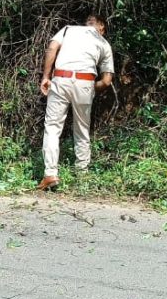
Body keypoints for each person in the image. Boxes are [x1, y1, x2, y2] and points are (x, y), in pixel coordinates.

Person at [38, 15, 114, 190]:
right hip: (86, 81)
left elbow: (52, 49)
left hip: (61, 78)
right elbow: (106, 81)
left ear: (87, 24)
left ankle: (50, 174)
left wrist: (46, 77)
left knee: (52, 127)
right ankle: (82, 175)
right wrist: (89, 87)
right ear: (101, 27)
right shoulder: (103, 43)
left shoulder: (67, 30)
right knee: (82, 129)